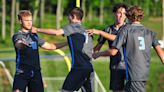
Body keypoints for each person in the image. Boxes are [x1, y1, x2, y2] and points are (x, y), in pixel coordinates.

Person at [91, 6, 164, 92]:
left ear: (129, 16)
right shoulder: (150, 32)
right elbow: (161, 53)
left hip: (133, 73)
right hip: (143, 74)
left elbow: (113, 51)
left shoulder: (126, 30)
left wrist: (98, 54)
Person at [32, 7, 94, 92]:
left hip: (78, 67)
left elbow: (56, 32)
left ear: (73, 16)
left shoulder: (73, 27)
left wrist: (37, 29)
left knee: (65, 90)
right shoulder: (86, 31)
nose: (68, 18)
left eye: (69, 16)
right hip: (90, 68)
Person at [12, 10, 67, 92]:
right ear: (20, 21)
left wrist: (67, 43)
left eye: (30, 20)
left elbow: (50, 46)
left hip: (35, 73)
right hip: (22, 73)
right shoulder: (17, 35)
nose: (29, 23)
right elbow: (18, 44)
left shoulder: (34, 36)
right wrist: (23, 45)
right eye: (26, 20)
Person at [88, 3, 128, 92]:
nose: (121, 15)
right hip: (115, 67)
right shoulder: (108, 30)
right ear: (114, 14)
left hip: (129, 67)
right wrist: (86, 52)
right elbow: (97, 48)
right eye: (119, 12)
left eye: (124, 13)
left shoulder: (129, 28)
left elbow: (118, 38)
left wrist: (99, 32)